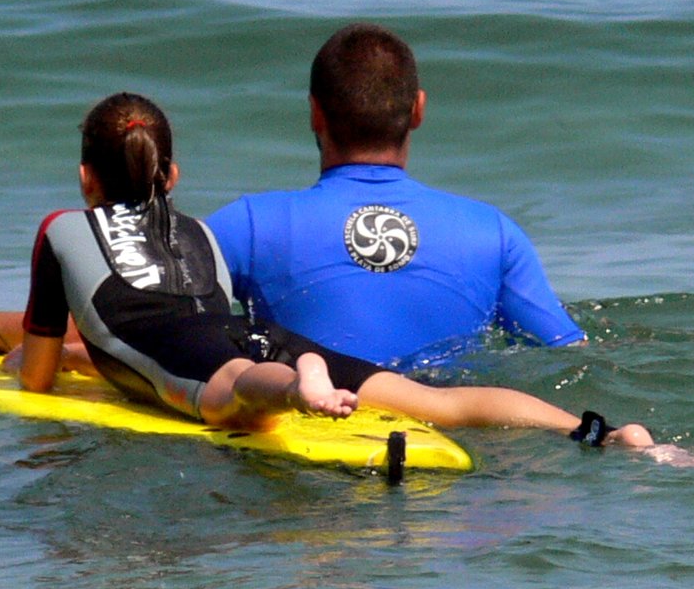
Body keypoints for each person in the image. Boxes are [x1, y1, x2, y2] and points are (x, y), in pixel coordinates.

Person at [0, 92, 666, 453]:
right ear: (173, 175)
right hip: (257, 330)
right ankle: (601, 433)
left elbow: (43, 379)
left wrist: (2, 347)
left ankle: (298, 385)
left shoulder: (61, 231)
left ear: (85, 180)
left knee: (229, 396)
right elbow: (176, 315)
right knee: (440, 403)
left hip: (225, 360)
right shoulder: (195, 232)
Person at [205, 22, 585, 367]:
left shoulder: (248, 227)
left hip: (312, 427)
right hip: (444, 432)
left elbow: (167, 326)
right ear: (418, 110)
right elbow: (570, 354)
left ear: (315, 112)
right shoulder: (493, 235)